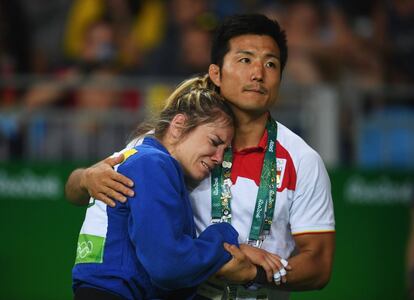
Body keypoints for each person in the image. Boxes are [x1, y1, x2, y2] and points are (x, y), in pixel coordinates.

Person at [66, 14, 335, 299]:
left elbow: (319, 265)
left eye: (271, 64)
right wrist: (85, 178)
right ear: (216, 73)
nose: (258, 73)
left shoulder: (303, 160)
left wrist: (252, 274)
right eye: (245, 60)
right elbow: (76, 191)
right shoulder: (172, 146)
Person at [72, 79, 251, 300]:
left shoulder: (139, 153)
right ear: (178, 126)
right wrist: (224, 238)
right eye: (215, 142)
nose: (219, 158)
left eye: (225, 151)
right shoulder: (153, 164)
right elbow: (167, 266)